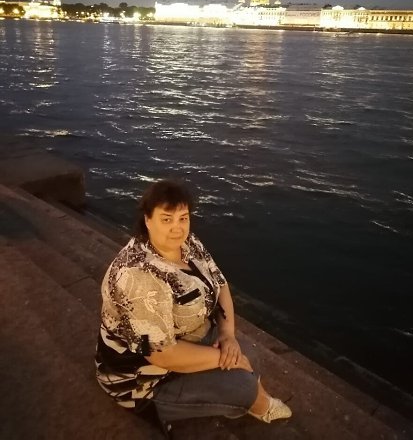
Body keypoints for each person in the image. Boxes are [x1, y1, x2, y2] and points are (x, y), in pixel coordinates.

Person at [96, 179, 292, 427]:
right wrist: (224, 358)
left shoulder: (188, 244)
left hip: (186, 336)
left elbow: (220, 284)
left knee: (249, 354)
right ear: (147, 220)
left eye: (183, 218)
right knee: (243, 383)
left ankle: (246, 397)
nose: (177, 228)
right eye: (166, 219)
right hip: (143, 378)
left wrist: (227, 335)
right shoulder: (139, 277)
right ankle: (257, 404)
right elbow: (160, 355)